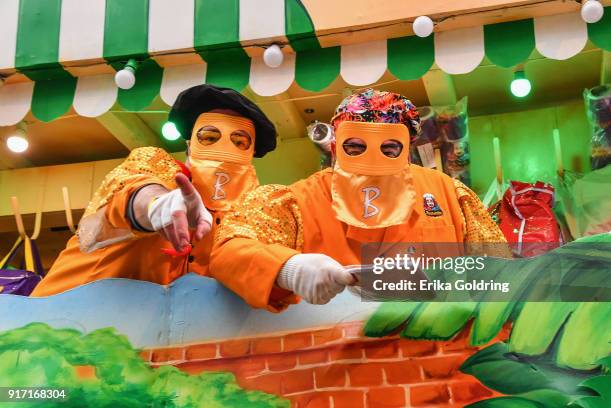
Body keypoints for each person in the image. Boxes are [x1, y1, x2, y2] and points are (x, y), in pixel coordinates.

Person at [209, 89, 507, 312]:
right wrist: (288, 268)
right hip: (336, 366)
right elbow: (229, 249)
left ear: (408, 149)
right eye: (355, 147)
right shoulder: (296, 201)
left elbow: (501, 275)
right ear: (335, 148)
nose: (372, 161)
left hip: (441, 360)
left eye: (390, 148)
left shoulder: (451, 196)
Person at [32, 85, 276, 296]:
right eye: (210, 137)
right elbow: (131, 188)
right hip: (60, 320)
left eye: (240, 142)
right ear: (190, 143)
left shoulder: (251, 216)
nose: (223, 149)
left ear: (250, 153)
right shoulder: (156, 165)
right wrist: (157, 205)